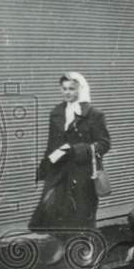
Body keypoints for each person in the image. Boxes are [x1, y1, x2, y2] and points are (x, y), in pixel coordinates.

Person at [30, 72, 112, 255]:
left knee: (83, 212)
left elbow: (105, 144)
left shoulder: (94, 114)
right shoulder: (56, 113)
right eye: (64, 89)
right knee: (56, 209)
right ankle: (63, 245)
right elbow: (51, 143)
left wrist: (77, 149)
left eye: (71, 89)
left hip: (83, 172)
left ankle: (86, 250)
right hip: (60, 170)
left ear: (80, 89)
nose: (67, 93)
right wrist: (45, 166)